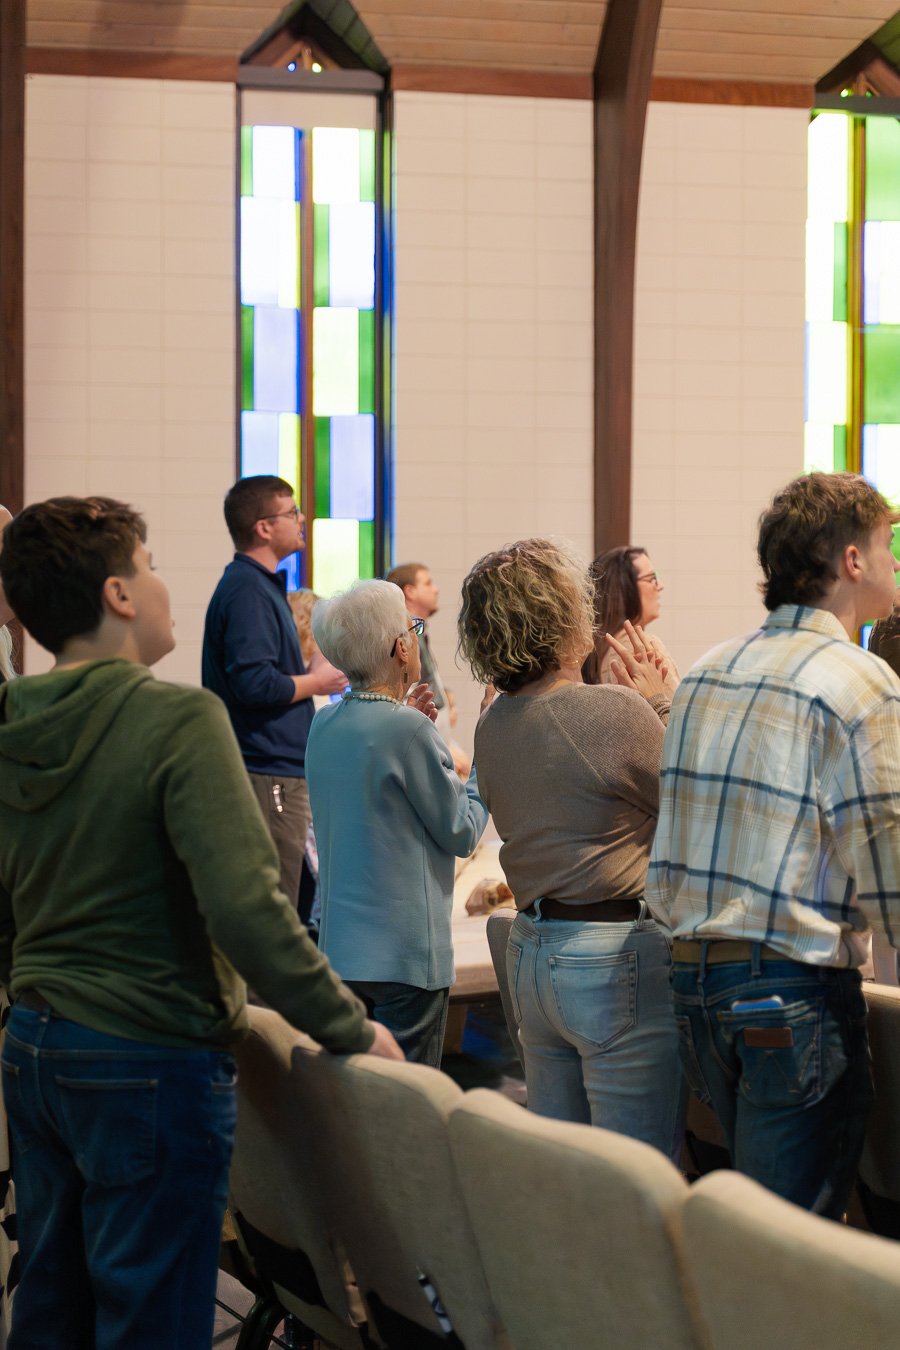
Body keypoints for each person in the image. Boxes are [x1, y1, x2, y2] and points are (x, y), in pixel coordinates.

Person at [0, 496, 401, 1349]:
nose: (161, 584)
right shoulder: (176, 720)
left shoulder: (16, 720)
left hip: (36, 1042)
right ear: (117, 595)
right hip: (145, 1051)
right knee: (151, 1323)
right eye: (148, 567)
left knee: (51, 1308)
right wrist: (349, 1025)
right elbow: (247, 906)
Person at [648, 471, 900, 1220]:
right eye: (889, 545)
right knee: (785, 1251)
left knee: (750, 1231)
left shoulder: (706, 671)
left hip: (696, 985)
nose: (895, 563)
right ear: (851, 559)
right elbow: (890, 882)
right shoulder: (861, 683)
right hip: (788, 993)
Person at [457, 538, 683, 1159]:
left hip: (535, 953)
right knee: (634, 1179)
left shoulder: (494, 723)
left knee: (566, 1174)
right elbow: (696, 806)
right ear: (561, 616)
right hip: (610, 961)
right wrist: (660, 699)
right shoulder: (607, 711)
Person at [306, 579, 489, 1065]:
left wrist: (410, 723)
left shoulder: (324, 723)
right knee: (409, 1103)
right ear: (401, 647)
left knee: (359, 1098)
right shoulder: (407, 730)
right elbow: (463, 830)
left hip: (343, 950)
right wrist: (486, 758)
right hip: (403, 956)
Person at [202, 476, 346, 908]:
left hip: (276, 767)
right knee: (277, 905)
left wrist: (308, 671)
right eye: (291, 512)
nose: (301, 519)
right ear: (263, 527)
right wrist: (317, 682)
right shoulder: (247, 590)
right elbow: (254, 685)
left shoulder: (259, 585)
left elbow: (264, 677)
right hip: (267, 769)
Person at [386, 560, 470, 776]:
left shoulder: (418, 631)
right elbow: (402, 695)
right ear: (411, 592)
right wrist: (443, 745)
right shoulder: (403, 635)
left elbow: (423, 680)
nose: (436, 589)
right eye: (428, 583)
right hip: (420, 739)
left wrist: (445, 696)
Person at [582, 544, 679, 690]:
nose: (660, 585)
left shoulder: (594, 650)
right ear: (624, 588)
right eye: (652, 578)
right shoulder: (642, 648)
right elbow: (674, 710)